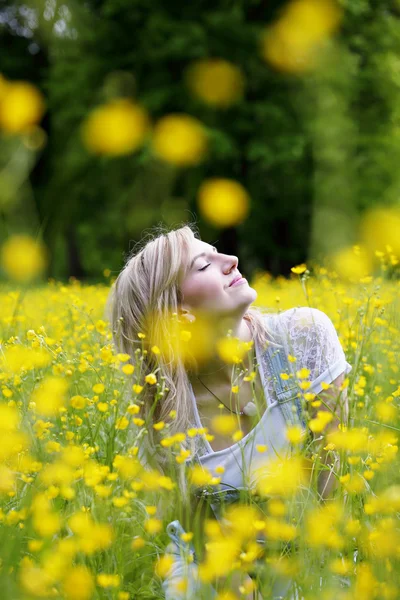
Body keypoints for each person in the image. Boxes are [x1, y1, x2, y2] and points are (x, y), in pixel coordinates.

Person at [107, 224, 352, 599]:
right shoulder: (167, 413)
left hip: (311, 553)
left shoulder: (304, 336)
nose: (231, 260)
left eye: (216, 251)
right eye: (204, 265)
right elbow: (208, 544)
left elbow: (332, 494)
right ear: (175, 313)